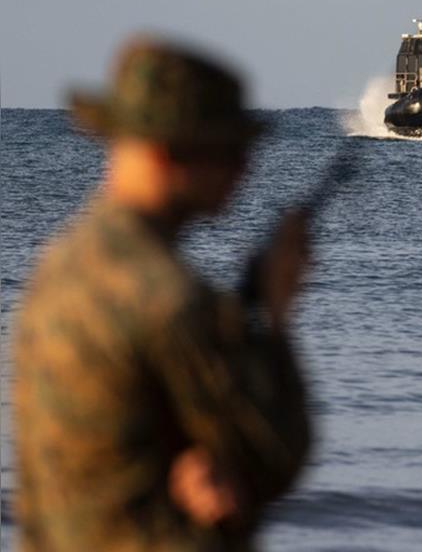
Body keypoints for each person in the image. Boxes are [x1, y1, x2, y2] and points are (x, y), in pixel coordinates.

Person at [12, 36, 314, 550]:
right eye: (227, 152)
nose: (244, 171)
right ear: (167, 151)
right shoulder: (168, 299)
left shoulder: (59, 264)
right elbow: (274, 451)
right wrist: (274, 315)